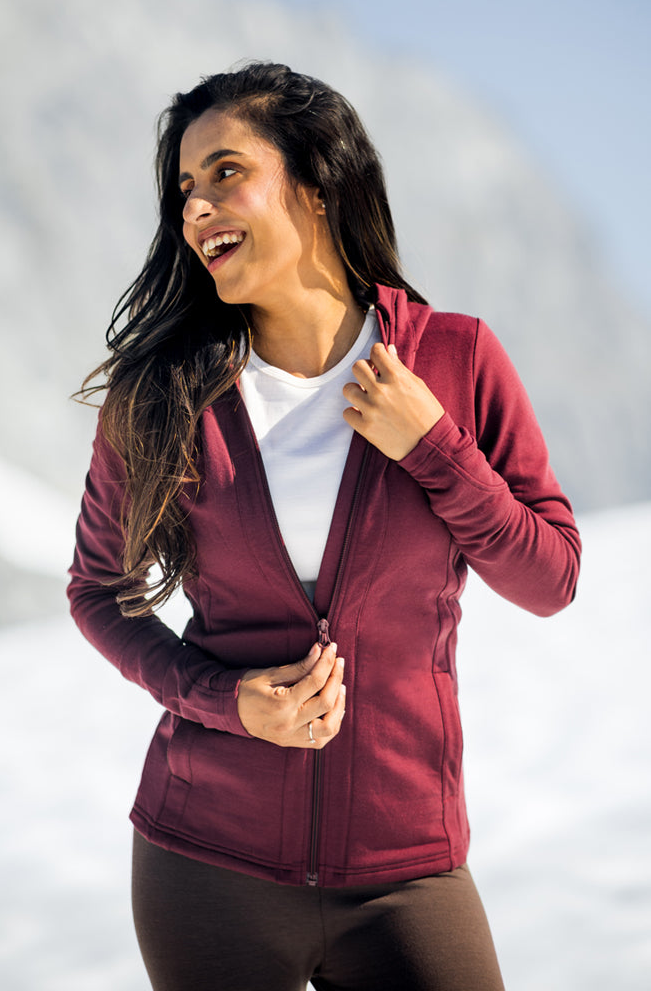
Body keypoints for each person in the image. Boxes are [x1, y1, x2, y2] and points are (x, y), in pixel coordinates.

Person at [68, 62, 581, 991]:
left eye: (226, 172)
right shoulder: (164, 395)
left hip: (407, 869)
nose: (196, 207)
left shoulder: (457, 359)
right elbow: (97, 592)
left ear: (315, 182)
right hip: (205, 865)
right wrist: (227, 702)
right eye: (185, 187)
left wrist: (434, 445)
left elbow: (550, 579)